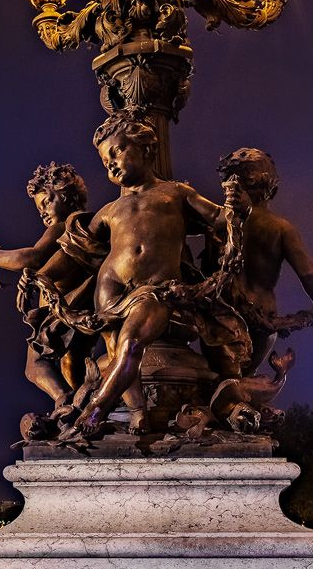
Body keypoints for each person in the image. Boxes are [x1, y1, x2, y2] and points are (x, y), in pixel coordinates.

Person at [70, 111, 250, 437]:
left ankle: (95, 408)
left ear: (147, 150)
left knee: (130, 343)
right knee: (115, 354)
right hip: (109, 286)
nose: (110, 164)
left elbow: (219, 219)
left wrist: (238, 206)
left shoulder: (176, 193)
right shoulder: (109, 211)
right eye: (104, 160)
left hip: (157, 288)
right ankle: (138, 412)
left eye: (117, 152)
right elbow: (75, 248)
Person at [212, 148, 313, 375]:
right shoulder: (280, 228)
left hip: (218, 316)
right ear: (267, 182)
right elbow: (309, 274)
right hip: (261, 321)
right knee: (242, 380)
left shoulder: (217, 219)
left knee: (220, 380)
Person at [0, 162, 96, 412]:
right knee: (71, 364)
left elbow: (32, 258)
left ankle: (64, 399)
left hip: (62, 309)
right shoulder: (84, 226)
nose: (43, 212)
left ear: (67, 197)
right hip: (77, 307)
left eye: (47, 202)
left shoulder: (64, 226)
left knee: (35, 365)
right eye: (39, 208)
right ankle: (80, 408)